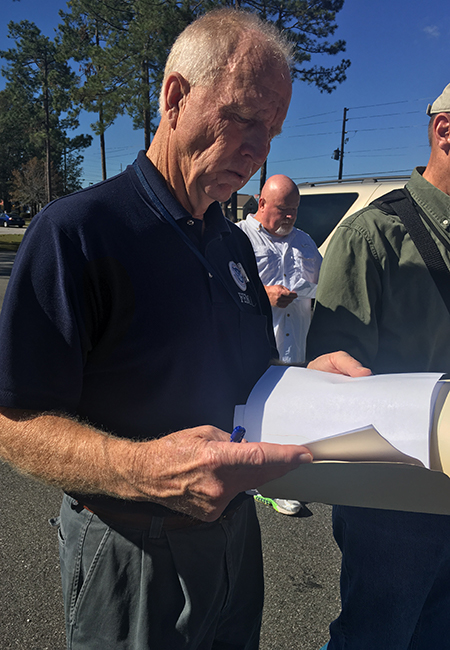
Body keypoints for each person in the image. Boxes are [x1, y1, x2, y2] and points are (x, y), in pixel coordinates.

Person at [0, 9, 369, 650]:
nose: (259, 153)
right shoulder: (77, 231)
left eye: (272, 132)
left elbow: (247, 376)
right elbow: (13, 421)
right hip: (127, 545)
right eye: (245, 119)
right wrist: (141, 468)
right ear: (175, 96)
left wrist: (305, 381)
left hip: (232, 538)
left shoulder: (230, 244)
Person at [307, 83, 450, 650]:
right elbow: (331, 371)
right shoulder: (375, 234)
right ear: (446, 131)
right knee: (377, 636)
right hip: (397, 498)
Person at [238, 174, 321, 515]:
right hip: (254, 348)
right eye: (283, 209)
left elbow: (321, 287)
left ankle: (279, 478)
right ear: (261, 203)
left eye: (294, 211)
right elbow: (223, 293)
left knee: (286, 412)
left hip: (294, 347)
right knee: (251, 412)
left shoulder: (304, 243)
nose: (289, 217)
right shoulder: (239, 238)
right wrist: (263, 296)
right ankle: (257, 480)